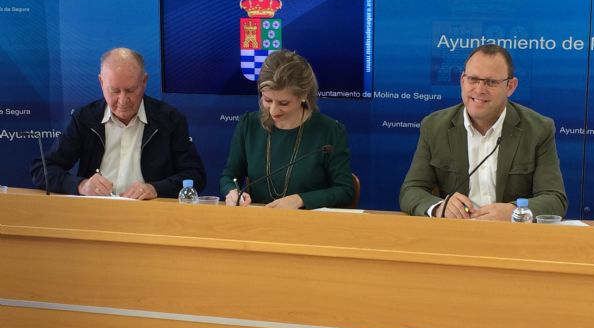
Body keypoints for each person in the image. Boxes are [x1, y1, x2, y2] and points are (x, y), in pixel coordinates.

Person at [399, 44, 567, 220]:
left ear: (510, 86)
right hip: (456, 231)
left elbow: (554, 199)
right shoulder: (434, 126)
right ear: (462, 80)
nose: (479, 90)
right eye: (473, 79)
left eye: (491, 82)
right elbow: (411, 190)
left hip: (511, 233)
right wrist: (440, 207)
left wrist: (513, 212)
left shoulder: (538, 129)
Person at [31, 47, 206, 199]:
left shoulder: (170, 119)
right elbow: (42, 169)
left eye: (130, 90)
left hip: (151, 214)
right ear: (101, 82)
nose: (123, 100)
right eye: (114, 90)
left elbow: (195, 176)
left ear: (144, 82)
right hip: (96, 214)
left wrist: (155, 189)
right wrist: (81, 186)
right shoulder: (85, 118)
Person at [220, 49, 354, 209]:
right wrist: (232, 192)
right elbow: (229, 176)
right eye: (267, 100)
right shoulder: (249, 125)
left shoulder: (330, 131)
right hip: (259, 220)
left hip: (308, 221)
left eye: (283, 103)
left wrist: (301, 200)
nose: (273, 111)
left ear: (303, 95)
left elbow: (345, 191)